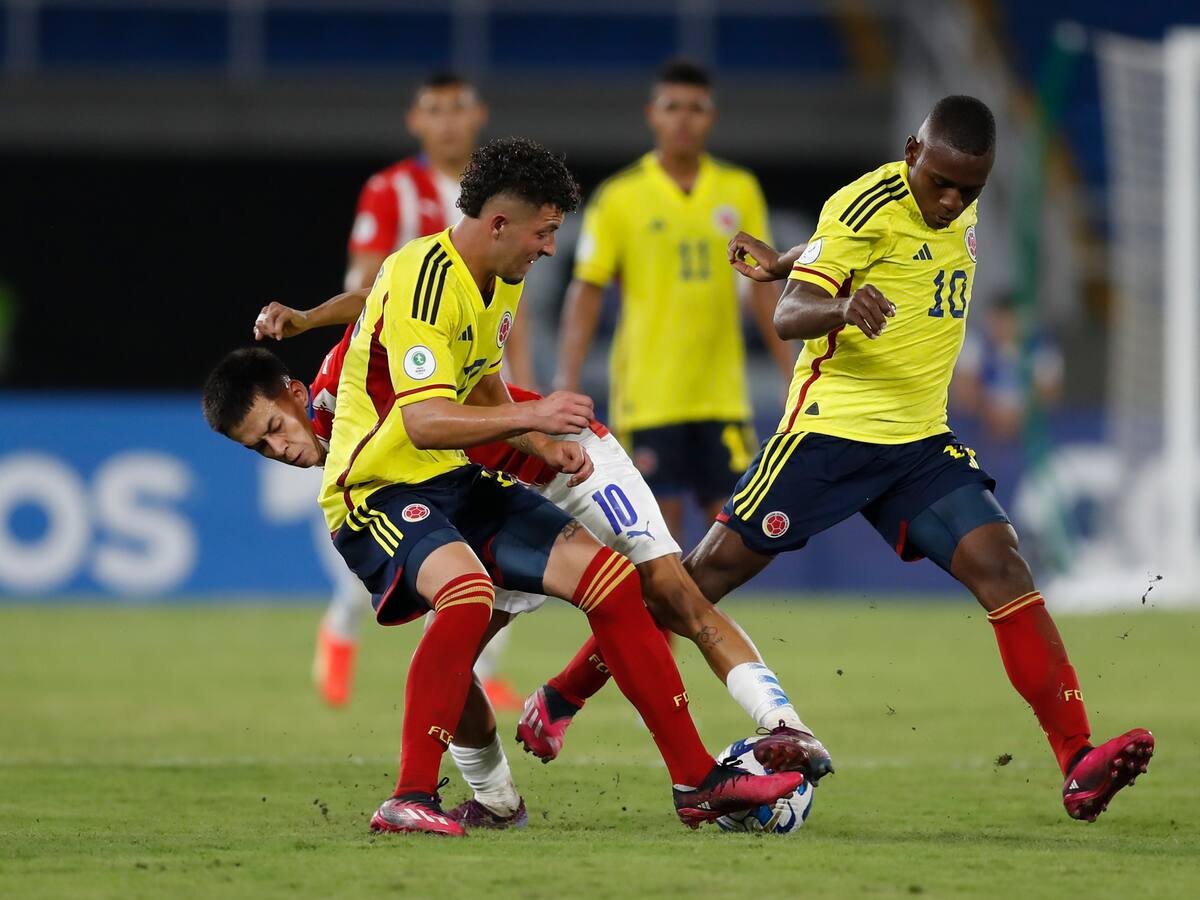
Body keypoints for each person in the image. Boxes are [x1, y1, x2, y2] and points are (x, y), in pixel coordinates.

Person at [206, 138, 804, 836]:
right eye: (545, 231)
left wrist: (536, 441)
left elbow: (480, 378)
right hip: (375, 490)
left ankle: (696, 782)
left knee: (611, 583)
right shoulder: (422, 280)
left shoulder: (494, 277)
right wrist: (538, 411)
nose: (551, 248)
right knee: (466, 597)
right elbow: (426, 420)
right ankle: (410, 794)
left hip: (451, 475)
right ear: (500, 224)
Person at [681, 95, 1151, 823]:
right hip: (830, 434)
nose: (953, 199)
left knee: (1003, 564)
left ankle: (1079, 765)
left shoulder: (953, 199)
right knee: (698, 581)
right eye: (940, 182)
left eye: (971, 188)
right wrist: (834, 304)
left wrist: (782, 258)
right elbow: (787, 316)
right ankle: (568, 692)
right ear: (910, 152)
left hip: (917, 442)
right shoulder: (866, 201)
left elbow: (850, 250)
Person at [317, 70, 522, 711]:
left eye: (458, 109)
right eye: (435, 110)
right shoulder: (391, 191)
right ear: (416, 121)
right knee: (396, 523)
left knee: (472, 537)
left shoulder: (496, 197)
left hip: (468, 385)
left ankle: (480, 676)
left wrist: (521, 387)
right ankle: (340, 631)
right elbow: (366, 289)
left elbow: (511, 307)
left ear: (479, 114)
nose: (448, 122)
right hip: (394, 390)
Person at [555, 60, 794, 540]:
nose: (683, 118)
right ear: (652, 114)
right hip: (649, 396)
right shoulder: (620, 197)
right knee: (659, 539)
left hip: (721, 393)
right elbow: (587, 291)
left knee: (732, 537)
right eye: (672, 107)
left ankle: (706, 619)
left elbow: (762, 286)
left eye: (696, 108)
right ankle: (672, 620)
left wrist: (793, 371)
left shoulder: (738, 189)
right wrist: (567, 381)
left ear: (712, 117)